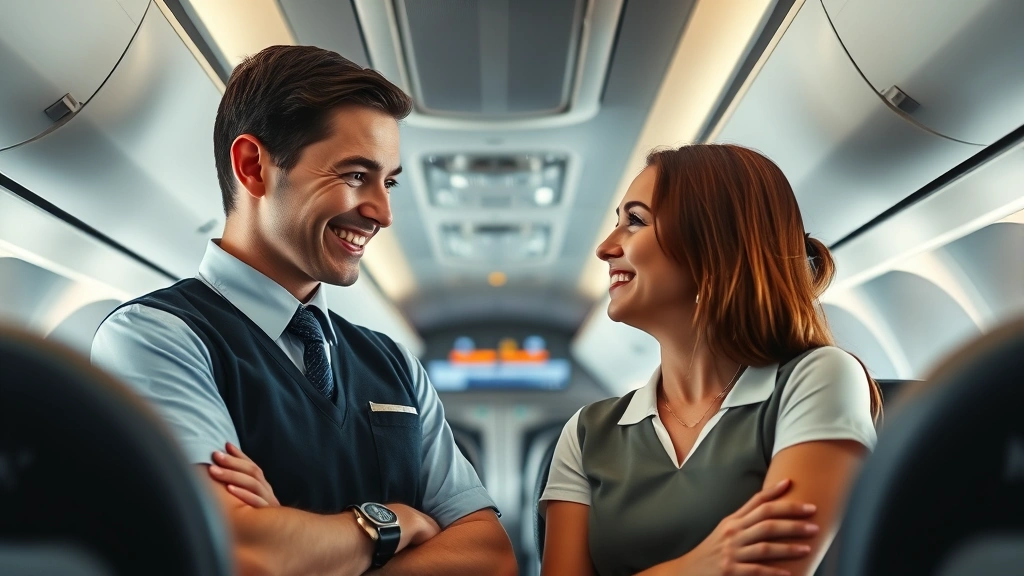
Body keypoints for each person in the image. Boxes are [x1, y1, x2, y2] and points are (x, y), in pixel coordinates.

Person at [91, 45, 517, 576]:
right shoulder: (156, 339)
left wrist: (305, 545)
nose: (382, 213)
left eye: (388, 182)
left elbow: (492, 556)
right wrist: (401, 524)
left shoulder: (395, 364)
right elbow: (242, 553)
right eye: (356, 175)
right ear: (254, 167)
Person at [539, 144, 881, 576]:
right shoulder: (588, 433)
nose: (606, 248)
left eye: (636, 221)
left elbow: (775, 568)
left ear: (711, 244)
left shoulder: (818, 379)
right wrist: (697, 566)